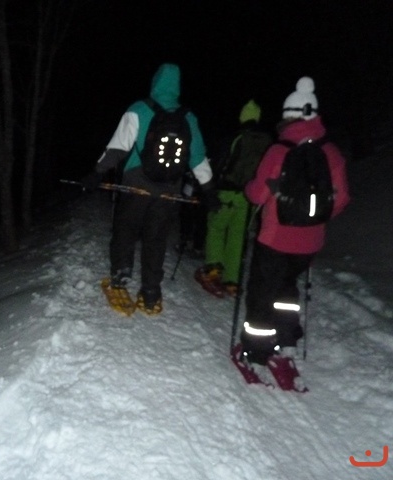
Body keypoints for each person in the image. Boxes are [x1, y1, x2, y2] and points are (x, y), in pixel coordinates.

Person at [81, 63, 220, 314]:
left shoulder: (139, 109)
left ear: (155, 82)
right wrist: (209, 190)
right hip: (169, 188)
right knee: (156, 239)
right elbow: (198, 158)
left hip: (137, 184)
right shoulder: (188, 118)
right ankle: (151, 292)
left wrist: (97, 172)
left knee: (126, 231)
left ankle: (120, 278)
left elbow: (117, 147)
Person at [239, 77, 350, 365]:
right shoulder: (331, 153)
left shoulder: (279, 151)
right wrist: (314, 219)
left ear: (288, 115)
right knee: (287, 287)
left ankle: (257, 349)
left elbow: (258, 194)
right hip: (310, 242)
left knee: (262, 292)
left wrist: (250, 188)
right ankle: (287, 339)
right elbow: (341, 199)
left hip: (275, 239)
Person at [194, 100, 272, 297]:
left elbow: (221, 163)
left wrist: (209, 188)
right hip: (248, 196)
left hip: (226, 192)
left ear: (242, 116)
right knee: (238, 235)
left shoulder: (236, 138)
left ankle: (213, 268)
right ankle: (232, 280)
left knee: (216, 227)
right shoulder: (267, 141)